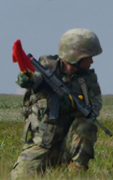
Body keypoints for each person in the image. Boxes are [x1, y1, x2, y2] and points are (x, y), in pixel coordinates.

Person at [11, 28, 104, 177]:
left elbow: (95, 106)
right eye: (89, 56)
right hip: (42, 143)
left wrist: (73, 106)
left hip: (68, 145)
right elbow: (35, 79)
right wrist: (28, 79)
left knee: (87, 124)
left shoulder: (87, 80)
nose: (92, 61)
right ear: (76, 56)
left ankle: (77, 173)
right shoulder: (46, 67)